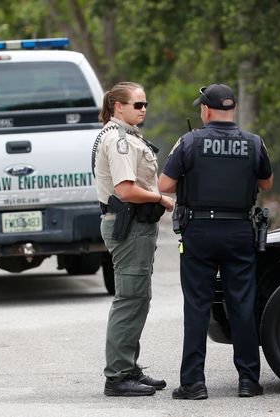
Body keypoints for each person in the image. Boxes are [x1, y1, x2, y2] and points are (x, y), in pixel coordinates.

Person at [158, 83, 274, 400]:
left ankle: (194, 384)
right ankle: (249, 381)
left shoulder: (189, 142)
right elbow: (266, 181)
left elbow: (165, 184)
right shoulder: (253, 143)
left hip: (199, 231)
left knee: (197, 306)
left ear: (206, 110)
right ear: (232, 110)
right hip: (239, 231)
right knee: (242, 306)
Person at [94, 81, 174, 396]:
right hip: (129, 225)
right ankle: (117, 376)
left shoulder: (126, 136)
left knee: (137, 297)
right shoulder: (119, 141)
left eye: (145, 104)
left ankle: (128, 366)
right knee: (129, 299)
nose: (143, 109)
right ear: (118, 107)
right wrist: (162, 199)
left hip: (135, 224)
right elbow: (125, 190)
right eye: (137, 105)